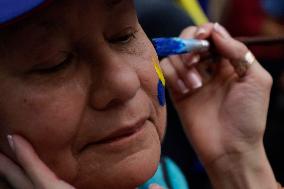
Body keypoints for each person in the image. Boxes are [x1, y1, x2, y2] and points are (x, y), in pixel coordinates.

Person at [0, 0, 280, 189]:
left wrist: (239, 164)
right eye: (54, 62)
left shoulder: (167, 177)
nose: (123, 83)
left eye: (123, 35)